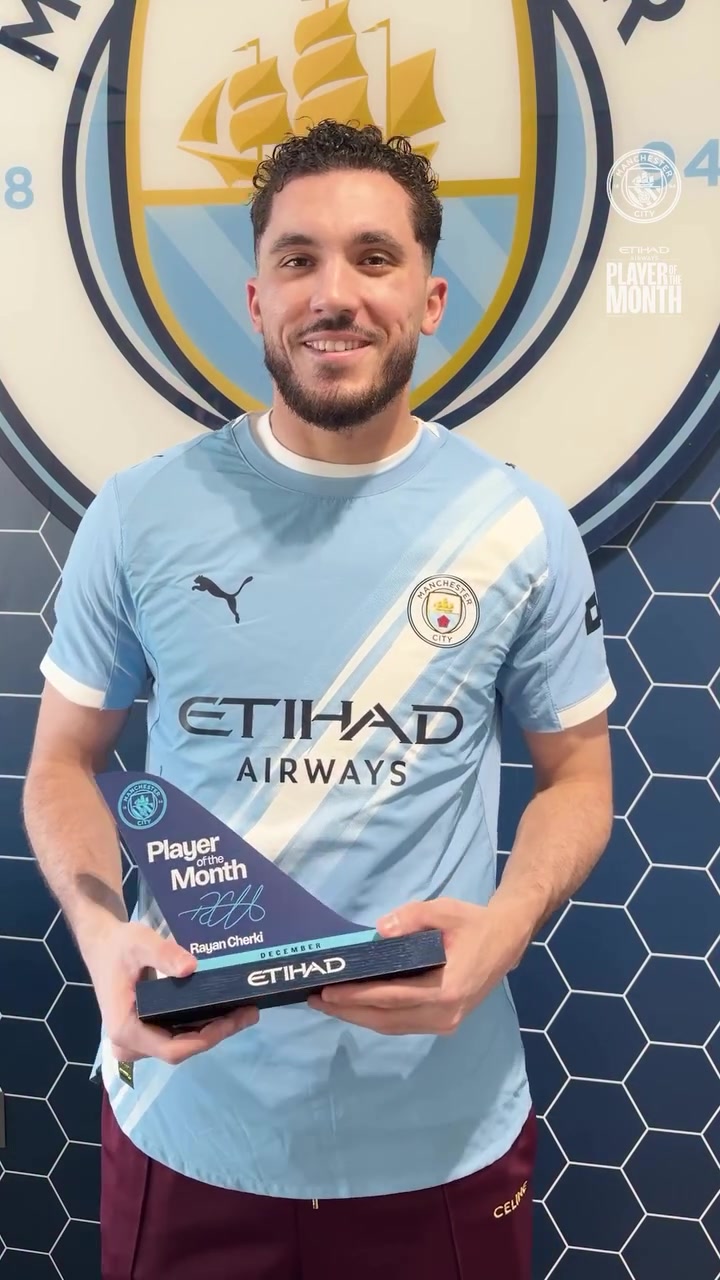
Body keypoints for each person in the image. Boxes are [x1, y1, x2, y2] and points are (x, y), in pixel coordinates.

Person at [23, 120, 615, 1280]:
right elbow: (60, 762)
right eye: (298, 259)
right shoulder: (140, 514)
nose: (333, 293)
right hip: (188, 1113)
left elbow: (579, 776)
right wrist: (100, 936)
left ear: (431, 298)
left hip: (440, 1133)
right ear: (256, 299)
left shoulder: (518, 523)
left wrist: (504, 926)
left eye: (373, 257)